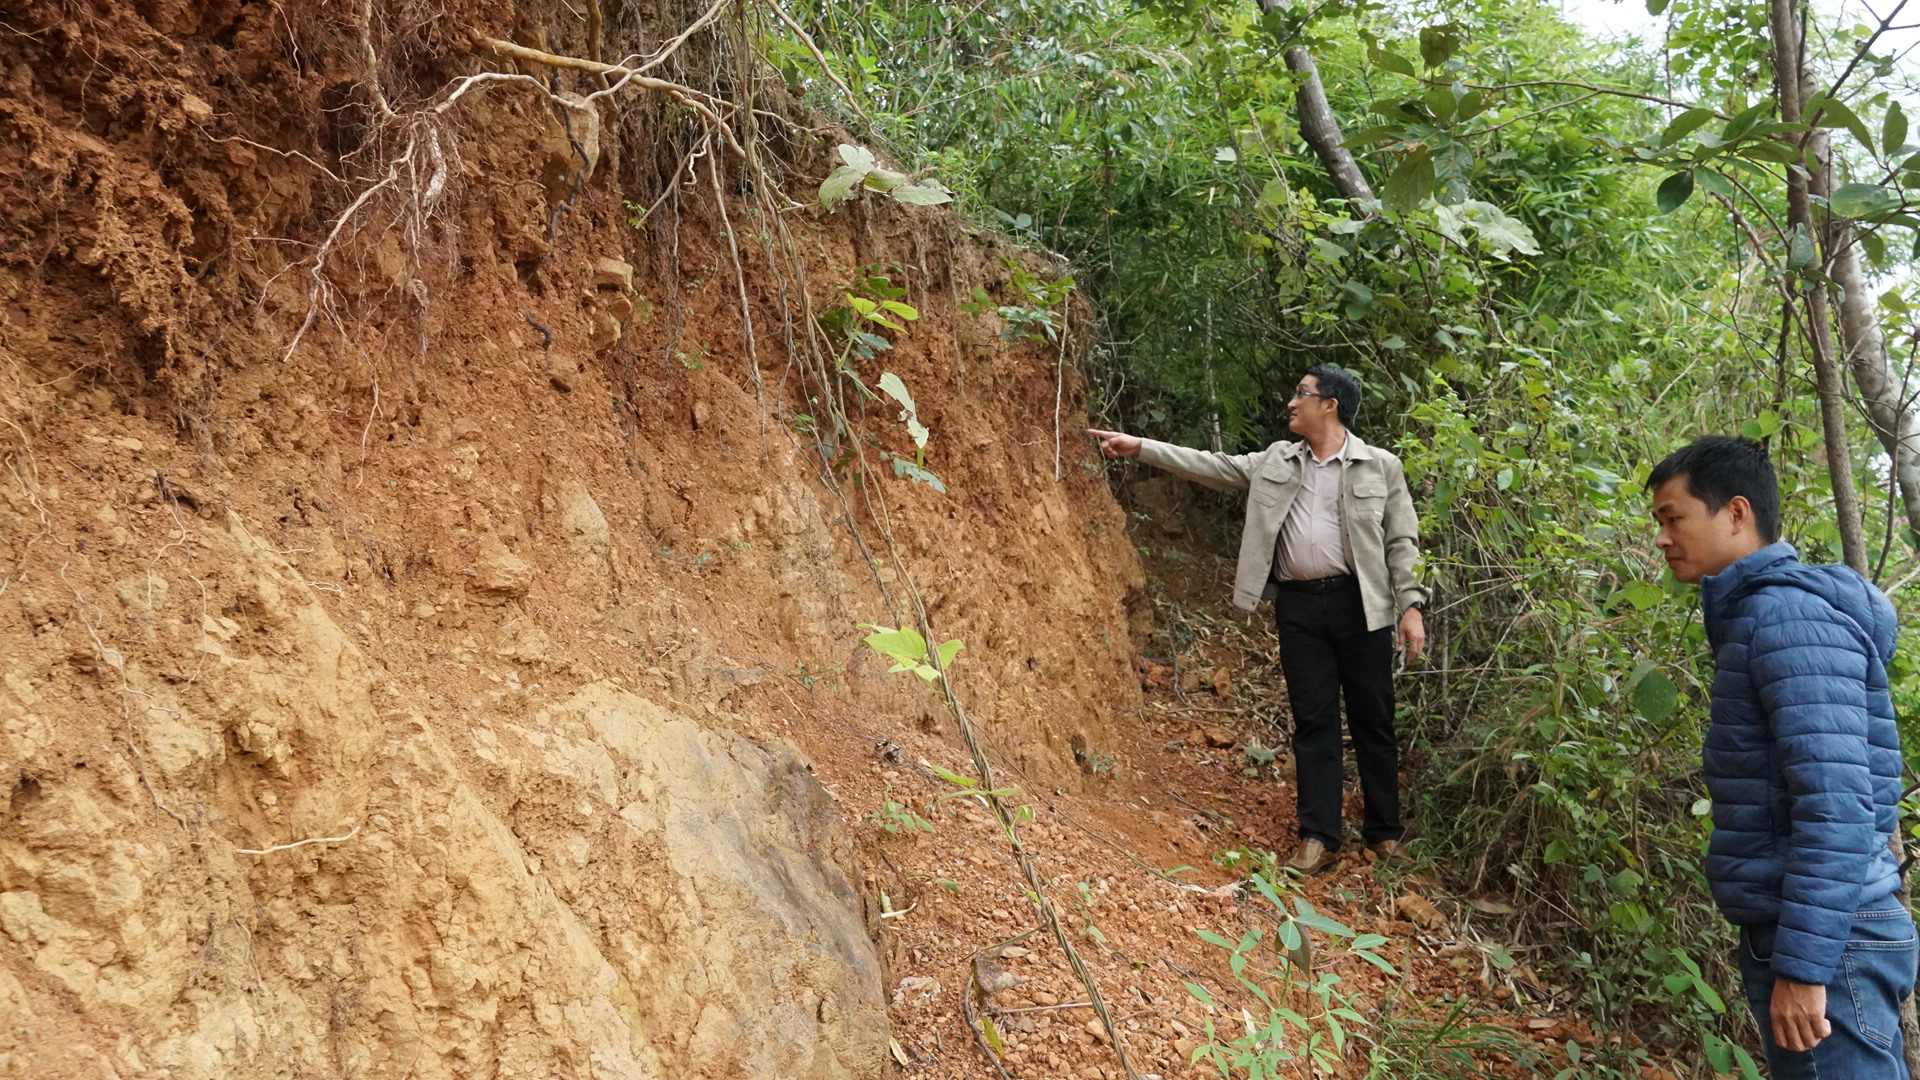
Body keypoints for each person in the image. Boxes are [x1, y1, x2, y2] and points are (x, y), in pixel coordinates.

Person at [1089, 364, 1426, 874]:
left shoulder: (1380, 467)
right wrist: (1142, 446)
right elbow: (1213, 465)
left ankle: (1384, 834)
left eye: (1302, 393)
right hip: (1300, 608)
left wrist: (1412, 607)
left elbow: (1403, 543)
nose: (1292, 402)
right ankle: (1318, 838)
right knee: (1314, 721)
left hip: (1364, 606)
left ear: (1329, 404)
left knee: (1373, 721)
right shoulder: (1276, 459)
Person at [1648, 435, 1914, 1076]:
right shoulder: (1763, 616)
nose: (1661, 539)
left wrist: (1804, 965)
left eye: (1673, 518)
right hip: (1819, 929)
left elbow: (1837, 804)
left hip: (1832, 938)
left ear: (1736, 513)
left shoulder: (1788, 619)